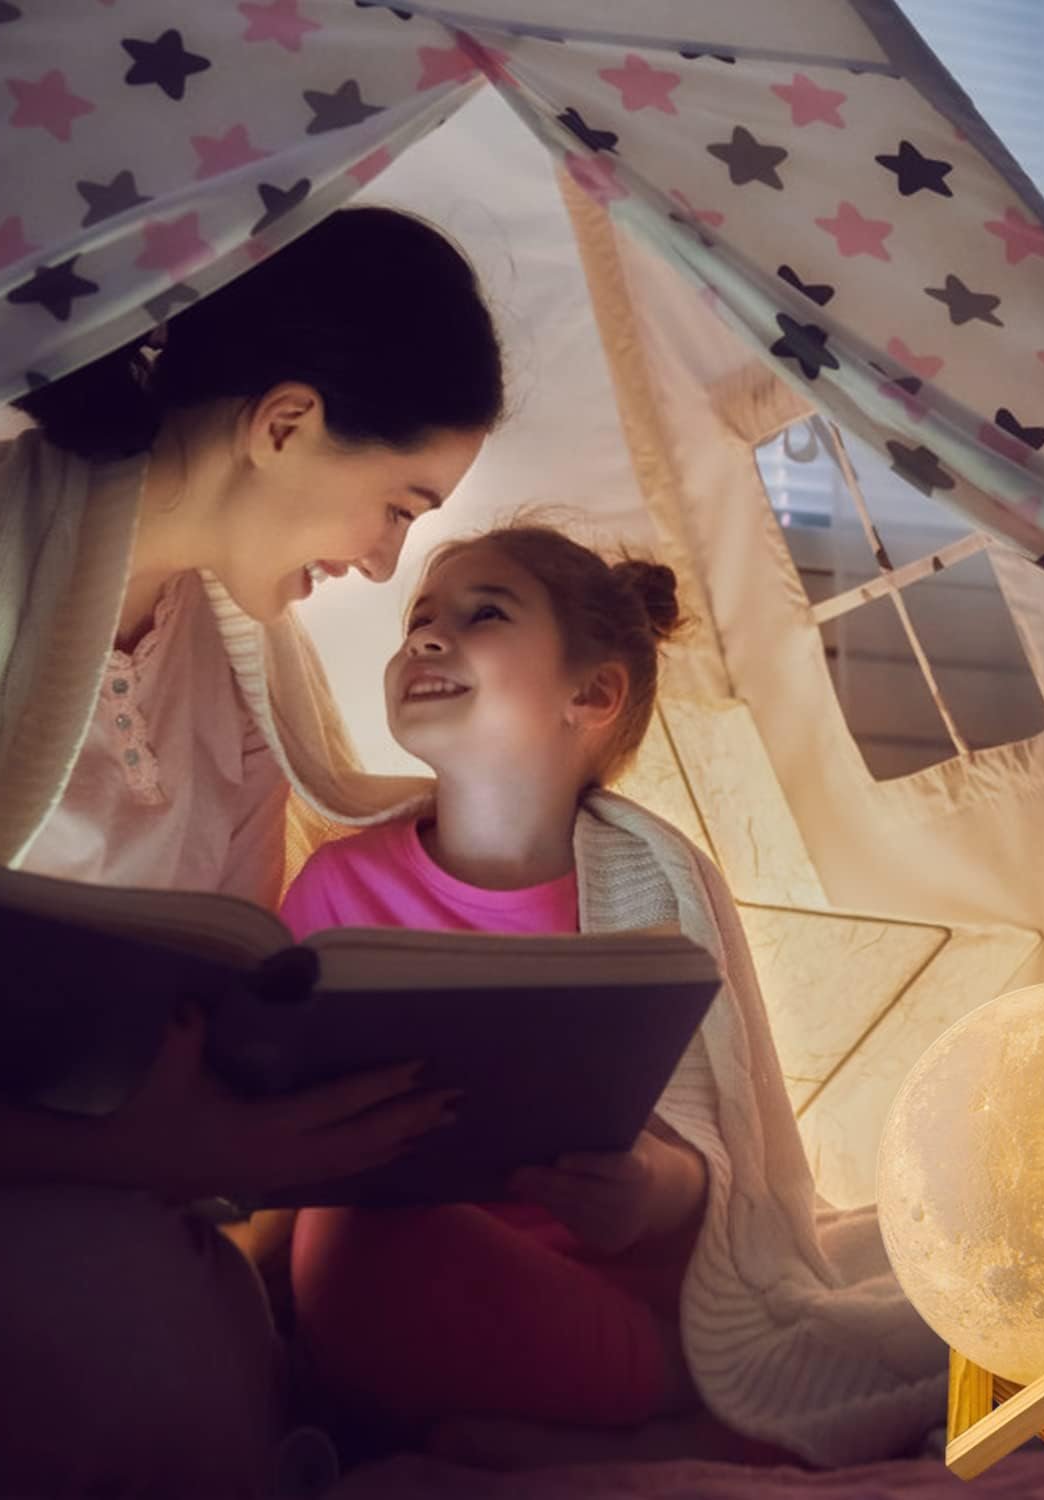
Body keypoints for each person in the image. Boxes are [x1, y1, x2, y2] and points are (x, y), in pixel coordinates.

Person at [0, 206, 503, 1496]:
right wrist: (132, 1158)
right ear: (283, 424)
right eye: (398, 507)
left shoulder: (246, 684)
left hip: (120, 1218)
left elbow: (225, 998)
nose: (383, 564)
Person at [277, 524, 951, 1471]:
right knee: (355, 1247)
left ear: (591, 696)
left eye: (483, 615)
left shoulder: (655, 891)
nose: (426, 636)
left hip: (605, 1287)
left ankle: (675, 1403)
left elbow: (720, 1162)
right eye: (419, 620)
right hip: (421, 1270)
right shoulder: (337, 886)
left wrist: (645, 1190)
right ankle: (633, 1420)